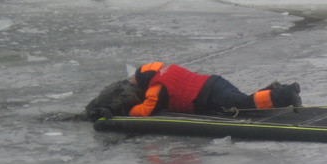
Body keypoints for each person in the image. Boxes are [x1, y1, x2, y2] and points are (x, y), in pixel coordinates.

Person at [127, 62, 302, 117]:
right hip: (214, 82)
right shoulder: (169, 69)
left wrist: (127, 109)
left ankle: (286, 93)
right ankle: (272, 90)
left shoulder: (156, 88)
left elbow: (145, 110)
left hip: (208, 93)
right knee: (242, 103)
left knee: (244, 104)